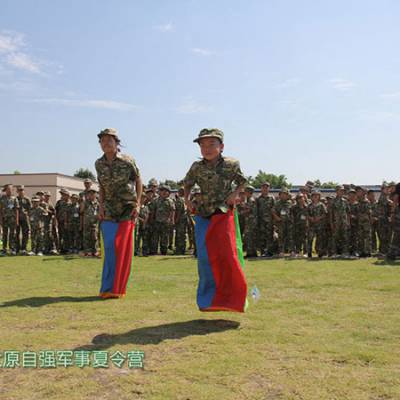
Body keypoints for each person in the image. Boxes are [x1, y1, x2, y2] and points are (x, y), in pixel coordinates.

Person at [183, 128, 247, 313]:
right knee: (204, 257)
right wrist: (187, 199)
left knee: (227, 255)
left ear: (222, 146)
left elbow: (243, 181)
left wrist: (235, 194)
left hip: (223, 212)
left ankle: (231, 299)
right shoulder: (196, 167)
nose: (207, 148)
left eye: (212, 144)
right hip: (203, 213)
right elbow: (187, 183)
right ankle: (209, 300)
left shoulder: (231, 164)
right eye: (203, 145)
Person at [95, 128, 142, 298]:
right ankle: (107, 287)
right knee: (108, 247)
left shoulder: (127, 160)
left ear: (117, 143)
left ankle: (118, 288)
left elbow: (138, 180)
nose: (106, 144)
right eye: (103, 141)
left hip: (126, 208)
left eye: (109, 140)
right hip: (108, 209)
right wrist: (100, 206)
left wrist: (137, 204)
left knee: (122, 247)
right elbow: (101, 187)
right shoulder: (98, 164)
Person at [153, 185, 175, 255]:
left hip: (166, 222)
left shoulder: (170, 201)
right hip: (157, 222)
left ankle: (163, 252)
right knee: (155, 238)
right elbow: (153, 211)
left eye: (166, 191)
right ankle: (154, 251)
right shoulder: (156, 200)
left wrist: (172, 220)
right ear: (159, 192)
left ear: (168, 193)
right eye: (162, 191)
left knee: (164, 238)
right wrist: (152, 219)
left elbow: (173, 211)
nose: (164, 192)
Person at [0, 184, 19, 256]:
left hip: (12, 220)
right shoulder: (2, 198)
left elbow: (16, 210)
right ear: (6, 190)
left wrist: (17, 220)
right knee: (4, 235)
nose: (9, 191)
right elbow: (0, 210)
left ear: (12, 190)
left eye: (10, 189)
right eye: (8, 189)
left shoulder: (14, 199)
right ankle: (4, 249)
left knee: (12, 235)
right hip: (4, 219)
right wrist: (1, 220)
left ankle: (12, 249)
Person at [16, 185, 31, 255]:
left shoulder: (27, 199)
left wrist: (27, 213)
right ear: (17, 192)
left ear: (24, 191)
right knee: (16, 234)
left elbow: (30, 209)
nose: (21, 192)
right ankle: (17, 248)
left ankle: (23, 248)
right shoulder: (15, 199)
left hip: (25, 219)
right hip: (17, 219)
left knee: (25, 233)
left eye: (22, 190)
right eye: (19, 190)